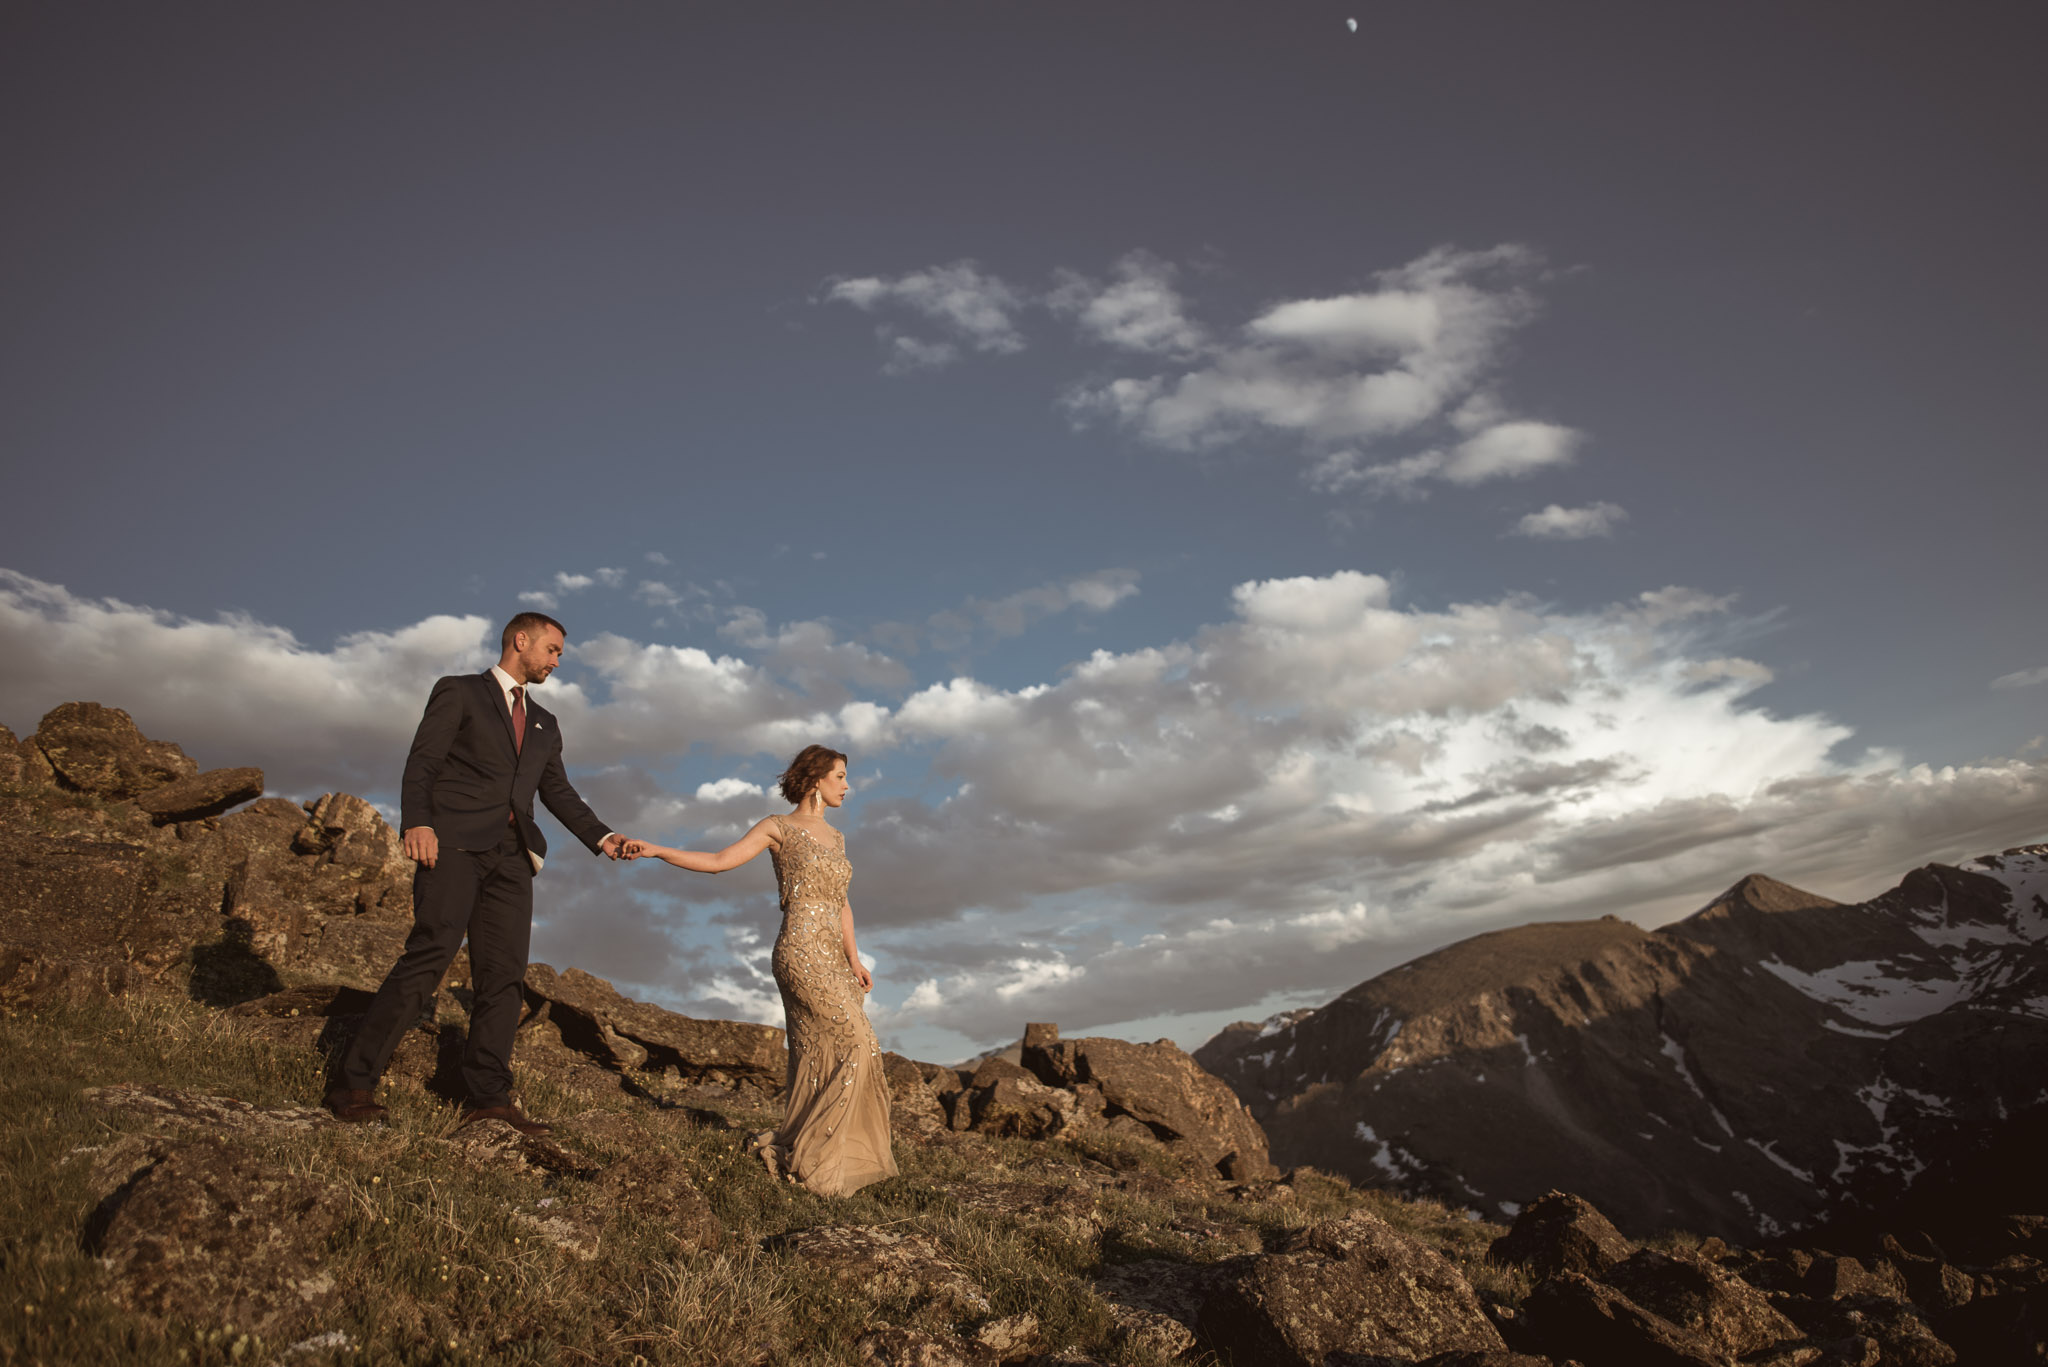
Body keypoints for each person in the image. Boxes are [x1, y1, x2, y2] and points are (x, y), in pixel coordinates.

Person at [325, 611, 630, 1134]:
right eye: (552, 650)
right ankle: (353, 1083)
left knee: (504, 977)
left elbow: (556, 791)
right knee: (429, 958)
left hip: (513, 859)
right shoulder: (459, 692)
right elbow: (422, 762)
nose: (557, 661)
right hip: (453, 847)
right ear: (521, 640)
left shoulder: (545, 724)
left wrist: (603, 838)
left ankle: (489, 1098)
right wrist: (417, 822)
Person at [624, 745, 897, 1196]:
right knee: (856, 1043)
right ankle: (814, 1158)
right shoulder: (778, 827)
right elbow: (717, 862)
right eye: (841, 777)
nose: (848, 787)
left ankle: (814, 1150)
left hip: (834, 957)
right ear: (815, 779)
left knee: (844, 1049)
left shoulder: (838, 839)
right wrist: (655, 850)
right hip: (800, 952)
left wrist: (854, 958)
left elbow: (842, 903)